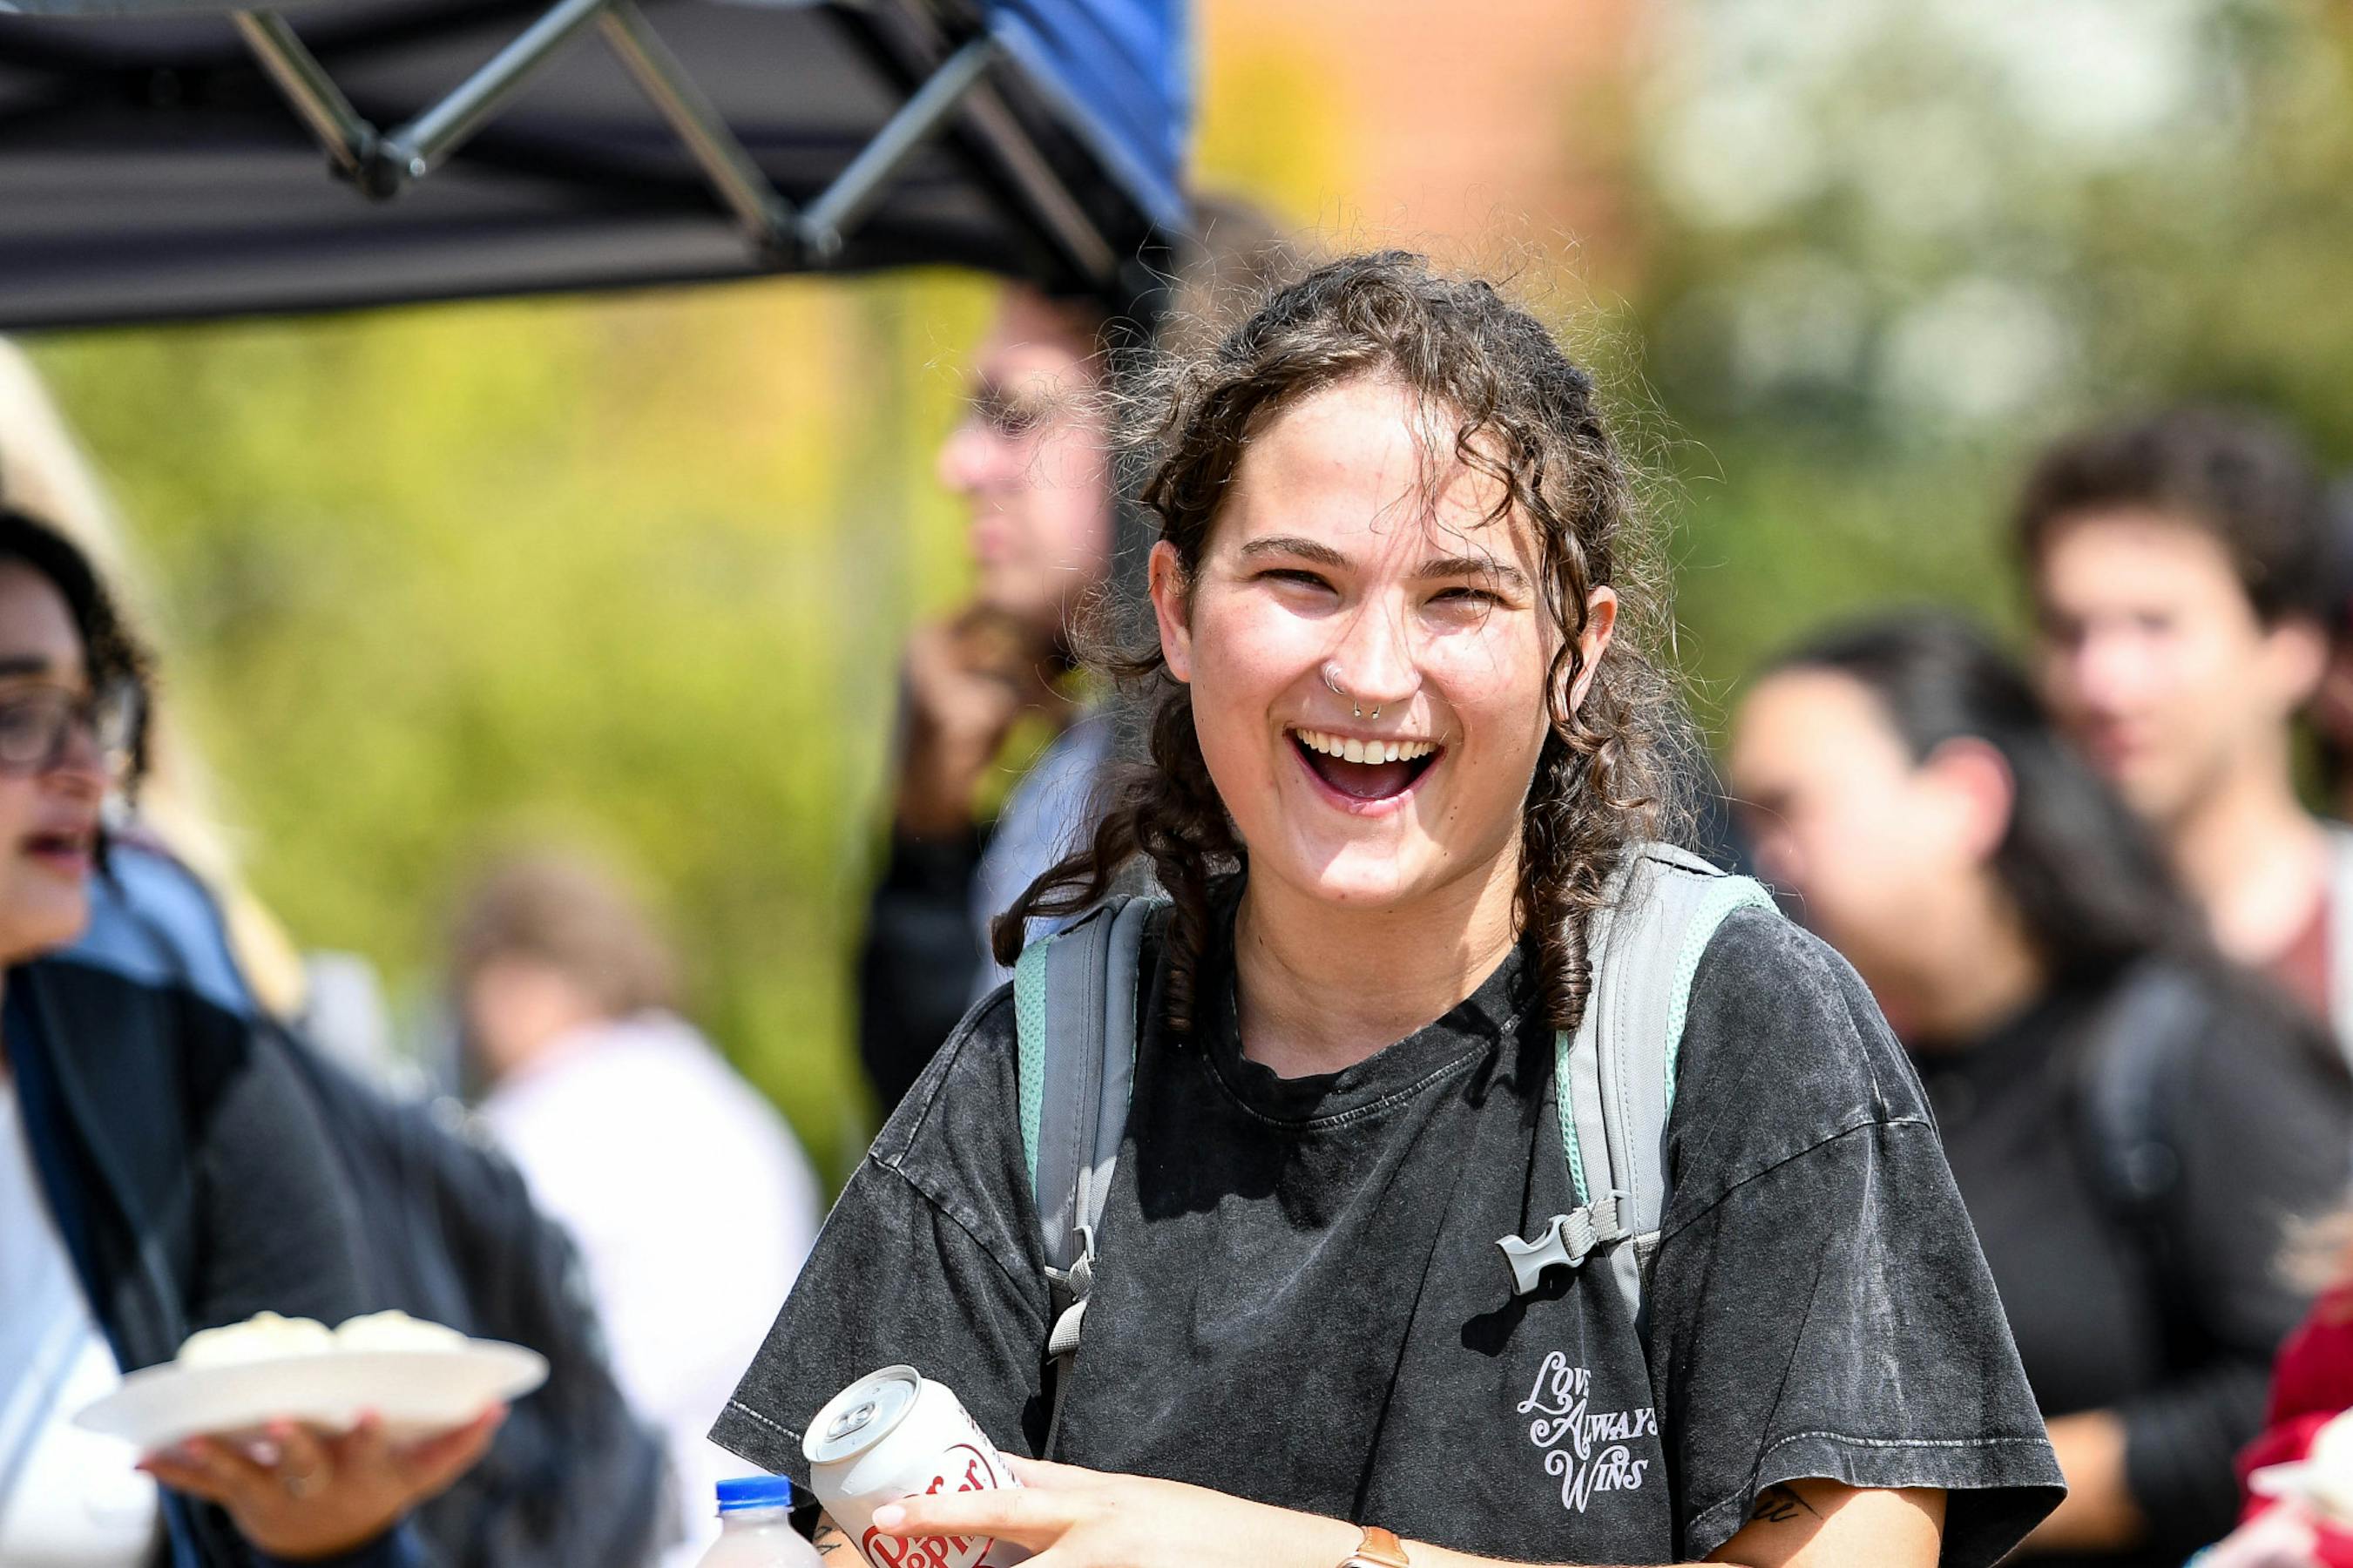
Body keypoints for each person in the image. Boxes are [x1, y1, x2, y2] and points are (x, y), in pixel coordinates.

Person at [716, 253, 2063, 1568]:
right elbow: (822, 1531)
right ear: (1176, 609)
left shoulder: (1731, 1023)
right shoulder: (1048, 1059)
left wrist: (1277, 1556)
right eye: (1299, 582)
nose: (1369, 673)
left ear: (1575, 652)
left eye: (1458, 596)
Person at [1728, 612, 2352, 1568]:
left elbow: (2301, 1391)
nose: (1763, 861)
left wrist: (1943, 1506)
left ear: (1964, 799)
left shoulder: (2188, 1049)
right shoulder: (1842, 1085)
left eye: (1788, 809)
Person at [0, 505, 497, 1567]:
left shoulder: (201, 1071)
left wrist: (334, 1537)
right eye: (19, 713)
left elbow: (325, 1510)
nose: (87, 767)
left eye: (93, 711)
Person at [452, 852, 823, 1568]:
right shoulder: (733, 1104)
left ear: (515, 976)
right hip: (769, 1519)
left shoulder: (540, 1118)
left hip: (616, 1523)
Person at [2018, 408, 2348, 1037]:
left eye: (2155, 625)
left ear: (2288, 650)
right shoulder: (2011, 968)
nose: (2101, 683)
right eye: (2068, 632)